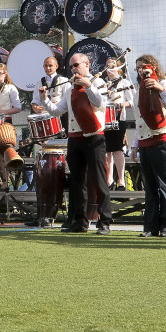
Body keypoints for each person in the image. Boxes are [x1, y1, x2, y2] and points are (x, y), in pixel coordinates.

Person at [46, 53, 112, 234]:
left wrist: (88, 86)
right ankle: (80, 220)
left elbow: (100, 102)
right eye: (71, 66)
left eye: (76, 65)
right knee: (76, 181)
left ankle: (104, 220)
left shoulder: (98, 83)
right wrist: (44, 99)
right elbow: (57, 110)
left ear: (86, 64)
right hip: (75, 138)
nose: (74, 69)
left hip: (94, 136)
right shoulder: (69, 88)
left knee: (99, 179)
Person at [131, 55, 166, 237]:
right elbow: (138, 120)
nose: (141, 70)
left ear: (153, 67)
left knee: (164, 185)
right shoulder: (138, 90)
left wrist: (159, 88)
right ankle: (150, 226)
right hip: (144, 142)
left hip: (161, 139)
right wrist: (135, 144)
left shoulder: (164, 83)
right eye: (138, 68)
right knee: (149, 186)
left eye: (144, 66)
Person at [104, 58, 135, 191]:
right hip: (104, 119)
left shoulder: (124, 82)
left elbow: (132, 101)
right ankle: (108, 179)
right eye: (107, 66)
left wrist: (121, 104)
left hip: (119, 118)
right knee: (106, 150)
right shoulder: (103, 83)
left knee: (117, 148)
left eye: (112, 66)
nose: (109, 69)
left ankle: (121, 181)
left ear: (118, 68)